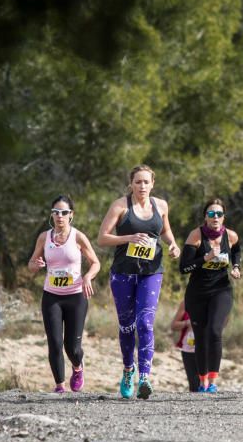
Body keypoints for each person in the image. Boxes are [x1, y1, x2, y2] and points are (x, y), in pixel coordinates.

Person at [97, 165, 180, 401]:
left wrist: (173, 245)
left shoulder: (161, 205)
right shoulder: (120, 206)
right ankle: (127, 371)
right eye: (138, 182)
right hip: (123, 272)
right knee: (126, 326)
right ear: (131, 184)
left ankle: (144, 377)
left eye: (146, 182)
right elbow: (102, 238)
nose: (142, 186)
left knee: (145, 322)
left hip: (151, 272)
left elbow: (165, 231)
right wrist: (129, 237)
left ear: (153, 183)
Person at [27, 195, 100, 393]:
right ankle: (59, 385)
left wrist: (87, 277)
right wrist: (36, 264)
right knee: (55, 343)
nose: (60, 216)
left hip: (76, 297)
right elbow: (31, 265)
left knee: (72, 348)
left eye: (64, 212)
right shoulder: (44, 237)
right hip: (52, 296)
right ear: (52, 215)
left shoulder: (78, 237)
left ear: (71, 215)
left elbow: (96, 262)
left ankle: (78, 367)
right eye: (56, 212)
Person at [179, 198, 242, 393]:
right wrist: (204, 258)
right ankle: (202, 381)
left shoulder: (230, 236)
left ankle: (213, 381)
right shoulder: (196, 236)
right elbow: (184, 268)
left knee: (215, 331)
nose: (216, 218)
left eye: (219, 214)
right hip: (197, 293)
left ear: (224, 217)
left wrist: (236, 267)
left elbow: (237, 251)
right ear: (205, 217)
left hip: (221, 290)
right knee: (201, 335)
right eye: (211, 214)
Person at [170, 300, 201, 392]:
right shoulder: (186, 303)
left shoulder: (214, 300)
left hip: (207, 348)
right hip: (189, 349)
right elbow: (173, 325)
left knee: (206, 384)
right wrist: (188, 323)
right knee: (194, 385)